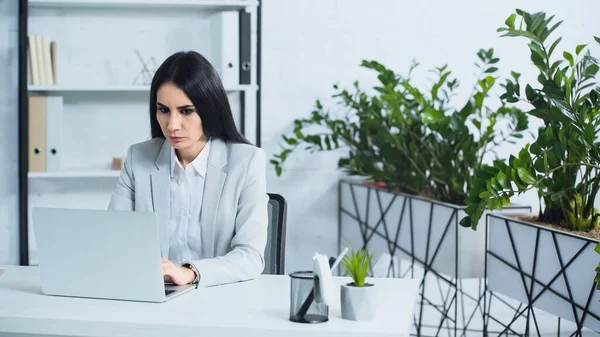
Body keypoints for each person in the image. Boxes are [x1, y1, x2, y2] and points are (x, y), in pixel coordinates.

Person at [107, 51, 268, 288]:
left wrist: (190, 272)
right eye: (163, 110)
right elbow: (113, 240)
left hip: (220, 295)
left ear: (210, 108)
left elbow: (250, 256)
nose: (172, 125)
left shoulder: (247, 161)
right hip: (153, 294)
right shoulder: (138, 158)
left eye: (186, 111)